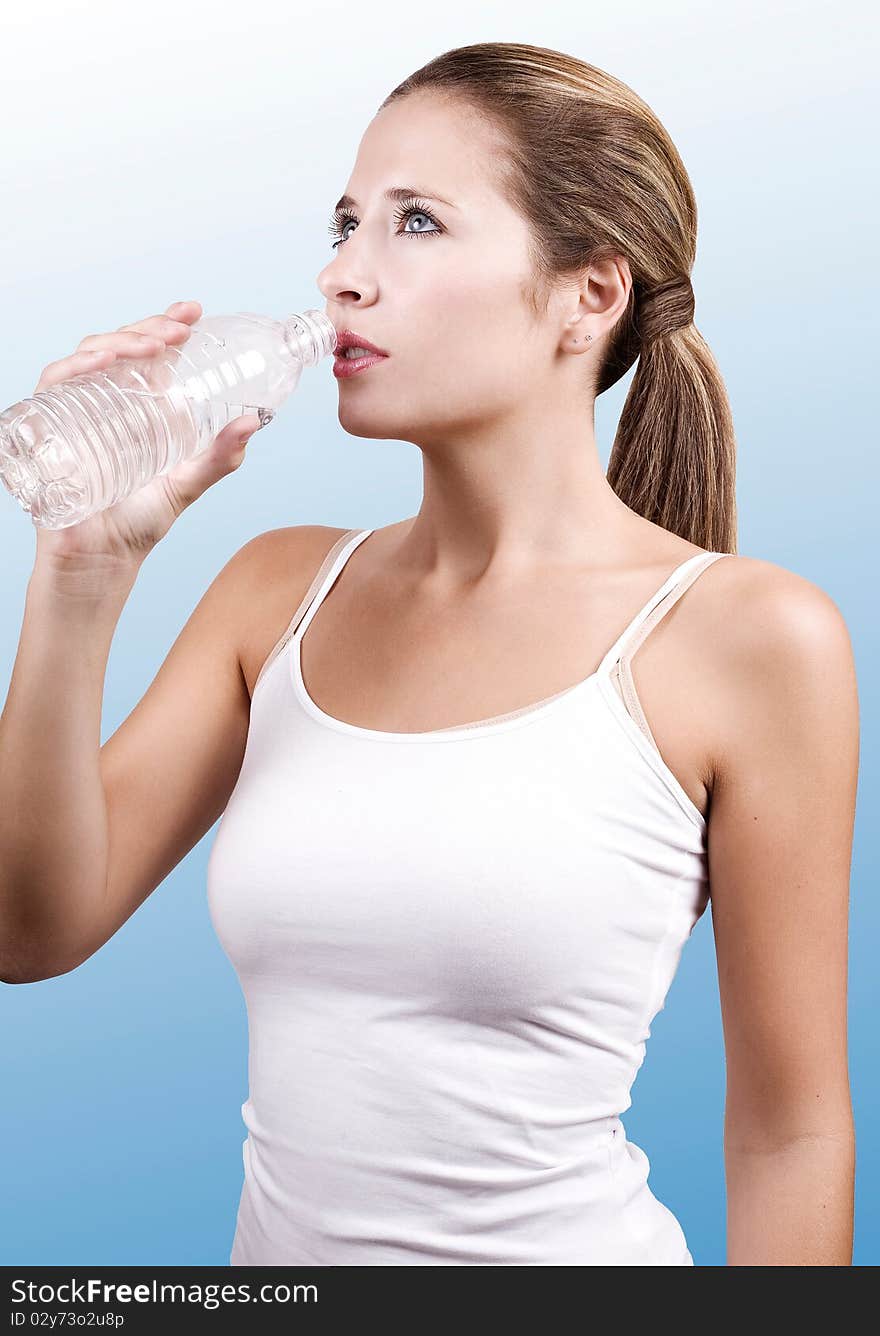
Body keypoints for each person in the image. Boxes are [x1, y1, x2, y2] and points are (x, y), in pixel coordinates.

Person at [0, 43, 857, 1266]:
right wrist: (78, 576)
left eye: (414, 222)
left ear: (586, 296)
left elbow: (789, 1131)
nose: (343, 274)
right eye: (346, 223)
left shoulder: (748, 639)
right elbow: (27, 933)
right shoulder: (275, 595)